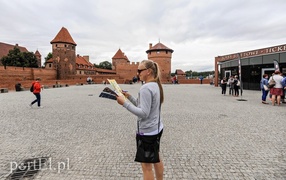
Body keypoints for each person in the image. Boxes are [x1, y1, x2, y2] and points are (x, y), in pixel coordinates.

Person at [116, 59, 164, 180]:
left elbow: (143, 113)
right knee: (156, 158)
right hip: (156, 128)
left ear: (148, 71)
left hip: (147, 132)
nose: (138, 73)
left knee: (146, 167)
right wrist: (129, 97)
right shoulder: (155, 85)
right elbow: (142, 105)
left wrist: (124, 104)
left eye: (140, 70)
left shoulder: (145, 88)